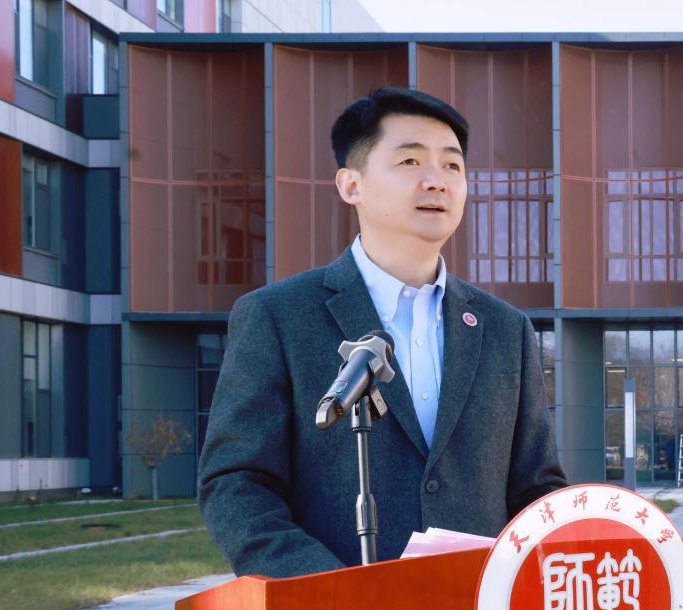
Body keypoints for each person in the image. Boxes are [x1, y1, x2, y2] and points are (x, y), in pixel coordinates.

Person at [197, 88, 568, 578]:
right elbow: (236, 484)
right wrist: (330, 594)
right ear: (351, 185)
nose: (437, 181)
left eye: (452, 166)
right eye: (410, 161)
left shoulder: (505, 329)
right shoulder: (278, 316)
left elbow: (536, 488)